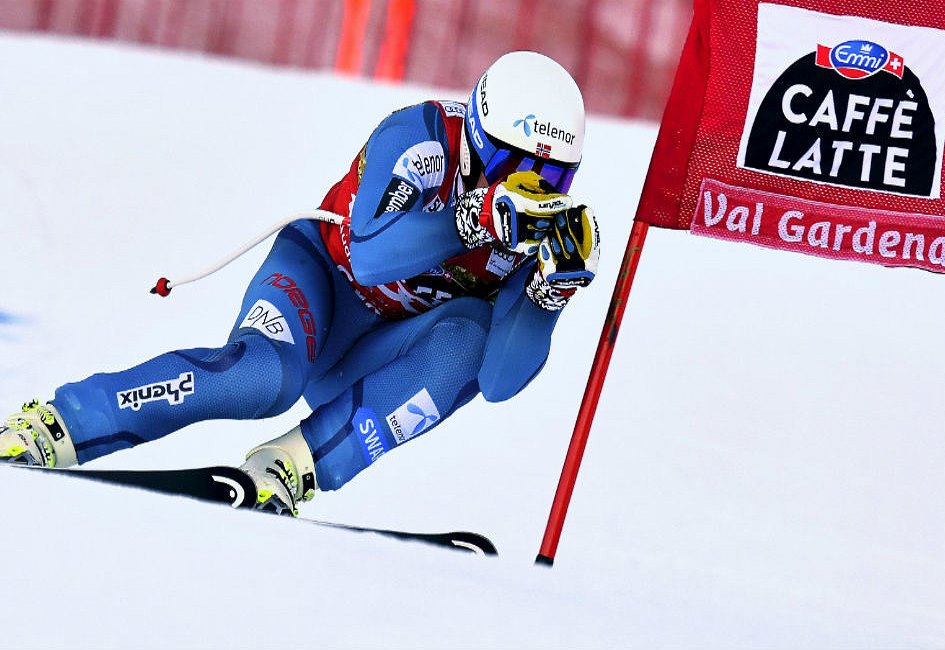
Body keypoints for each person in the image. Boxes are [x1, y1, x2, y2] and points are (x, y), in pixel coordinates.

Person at [0, 50, 600, 515]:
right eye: (513, 165)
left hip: (376, 355)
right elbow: (369, 255)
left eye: (551, 175)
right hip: (323, 283)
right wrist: (471, 222)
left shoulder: (540, 227)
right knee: (265, 377)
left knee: (469, 333)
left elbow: (496, 382)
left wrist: (548, 296)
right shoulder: (418, 139)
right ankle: (61, 422)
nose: (530, 186)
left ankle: (294, 464)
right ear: (475, 132)